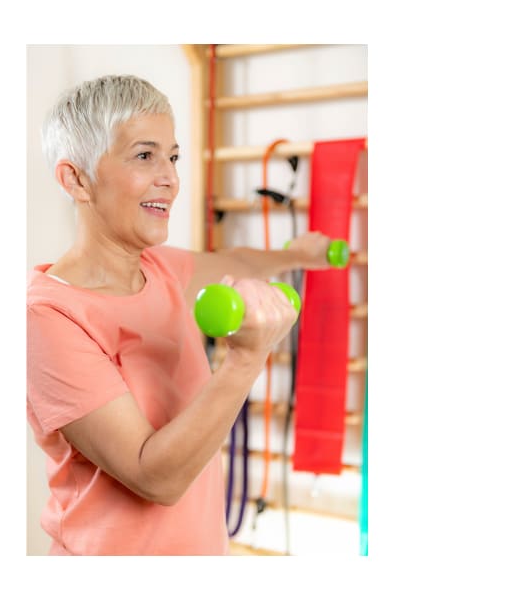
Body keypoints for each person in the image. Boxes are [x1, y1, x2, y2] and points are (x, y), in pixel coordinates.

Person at [27, 75, 333, 555]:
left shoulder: (158, 267)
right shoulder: (47, 318)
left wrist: (295, 258)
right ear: (76, 180)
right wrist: (245, 362)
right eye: (144, 155)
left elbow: (237, 263)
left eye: (172, 157)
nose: (169, 177)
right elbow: (156, 478)